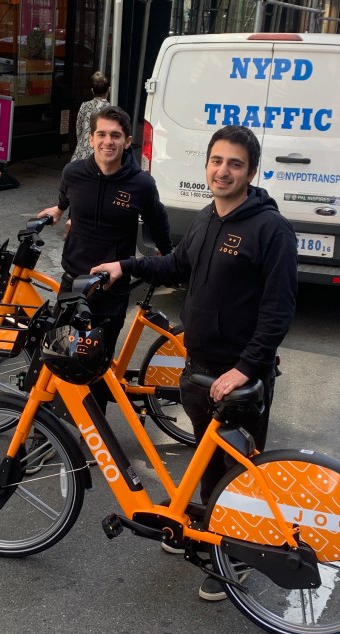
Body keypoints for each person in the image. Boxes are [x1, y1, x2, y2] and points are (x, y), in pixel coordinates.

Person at [89, 124, 298, 602]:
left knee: (237, 469)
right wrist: (127, 266)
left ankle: (239, 557)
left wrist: (246, 369)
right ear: (207, 164)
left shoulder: (270, 229)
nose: (223, 171)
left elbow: (279, 310)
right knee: (207, 462)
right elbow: (177, 264)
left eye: (235, 164)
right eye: (217, 161)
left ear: (252, 171)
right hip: (199, 365)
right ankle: (206, 526)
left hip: (238, 377)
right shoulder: (209, 217)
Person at [38, 105, 172, 411]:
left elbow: (158, 219)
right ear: (91, 137)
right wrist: (58, 210)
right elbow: (65, 198)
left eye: (115, 135)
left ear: (127, 141)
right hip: (72, 283)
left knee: (96, 364)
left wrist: (168, 255)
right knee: (59, 352)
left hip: (111, 288)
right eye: (101, 134)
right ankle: (52, 424)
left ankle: (92, 434)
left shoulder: (140, 184)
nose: (107, 141)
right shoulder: (73, 173)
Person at [71, 71, 110, 162]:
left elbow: (78, 129)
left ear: (92, 90)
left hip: (81, 152)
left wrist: (82, 143)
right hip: (99, 153)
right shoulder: (110, 109)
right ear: (109, 89)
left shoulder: (84, 105)